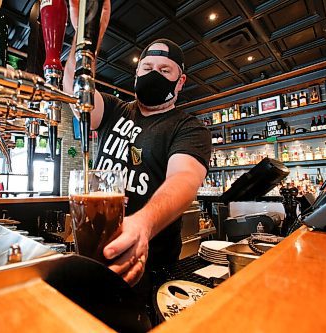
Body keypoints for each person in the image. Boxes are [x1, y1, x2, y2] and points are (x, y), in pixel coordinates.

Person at [64, 0, 211, 319]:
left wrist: (143, 224)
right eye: (146, 68)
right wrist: (86, 34)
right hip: (94, 257)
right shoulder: (115, 109)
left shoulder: (188, 127)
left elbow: (184, 179)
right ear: (135, 73)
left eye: (164, 70)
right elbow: (76, 96)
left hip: (150, 268)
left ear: (180, 81)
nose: (153, 74)